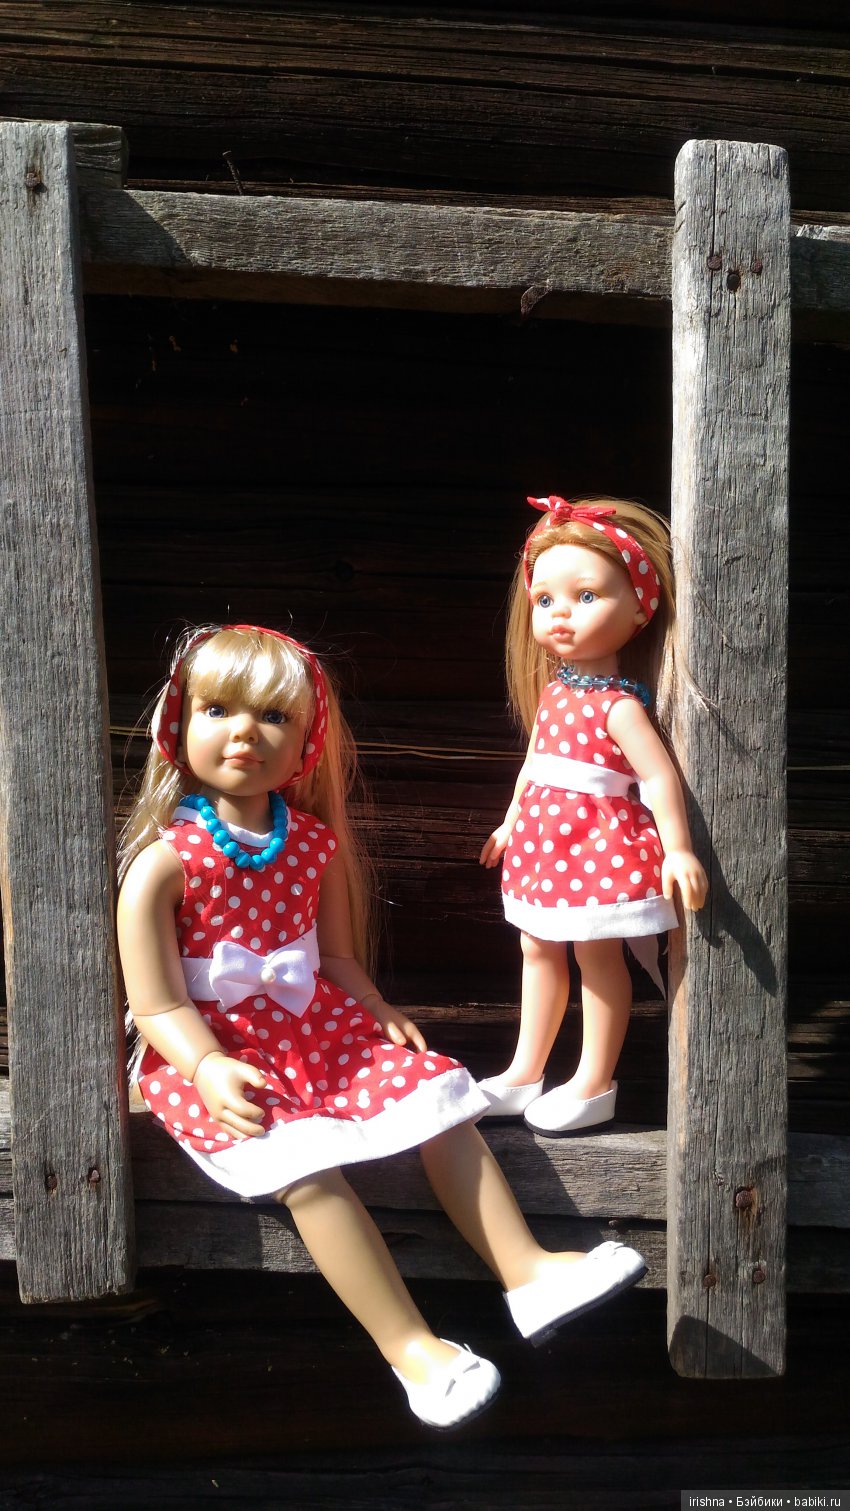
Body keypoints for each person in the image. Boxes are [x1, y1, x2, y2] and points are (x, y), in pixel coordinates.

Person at [118, 622, 646, 1431]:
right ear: (177, 725)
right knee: (305, 1168)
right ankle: (414, 1351)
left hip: (319, 1031)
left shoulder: (312, 845)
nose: (244, 733)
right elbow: (157, 1004)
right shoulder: (166, 862)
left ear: (307, 743)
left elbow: (333, 956)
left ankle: (529, 1271)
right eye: (218, 709)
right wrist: (205, 1065)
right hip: (221, 1054)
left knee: (438, 1096)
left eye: (274, 717)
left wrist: (376, 1008)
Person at [479, 497, 707, 1133]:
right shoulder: (554, 693)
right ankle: (525, 1069)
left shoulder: (619, 707)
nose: (560, 614)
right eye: (545, 599)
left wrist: (678, 848)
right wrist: (510, 820)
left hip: (594, 847)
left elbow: (658, 777)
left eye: (585, 596)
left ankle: (593, 1080)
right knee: (535, 946)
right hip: (541, 845)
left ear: (639, 607)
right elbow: (533, 764)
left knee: (596, 954)